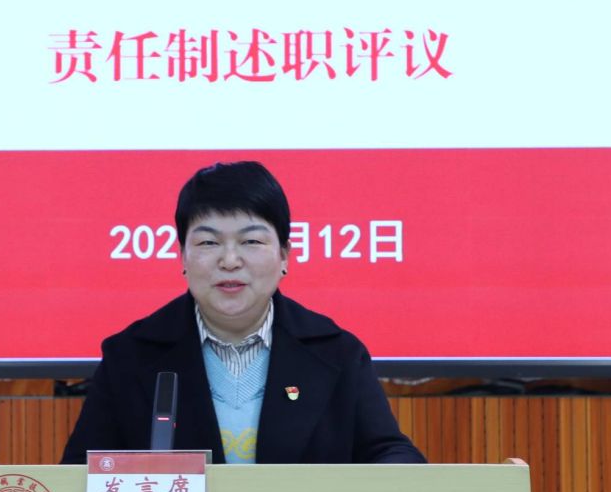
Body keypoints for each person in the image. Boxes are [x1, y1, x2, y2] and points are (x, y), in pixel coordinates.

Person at [60, 161, 425, 465]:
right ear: (183, 256)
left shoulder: (336, 352)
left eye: (251, 241)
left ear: (284, 255)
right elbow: (80, 474)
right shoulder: (130, 355)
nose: (230, 261)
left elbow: (391, 453)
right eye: (208, 242)